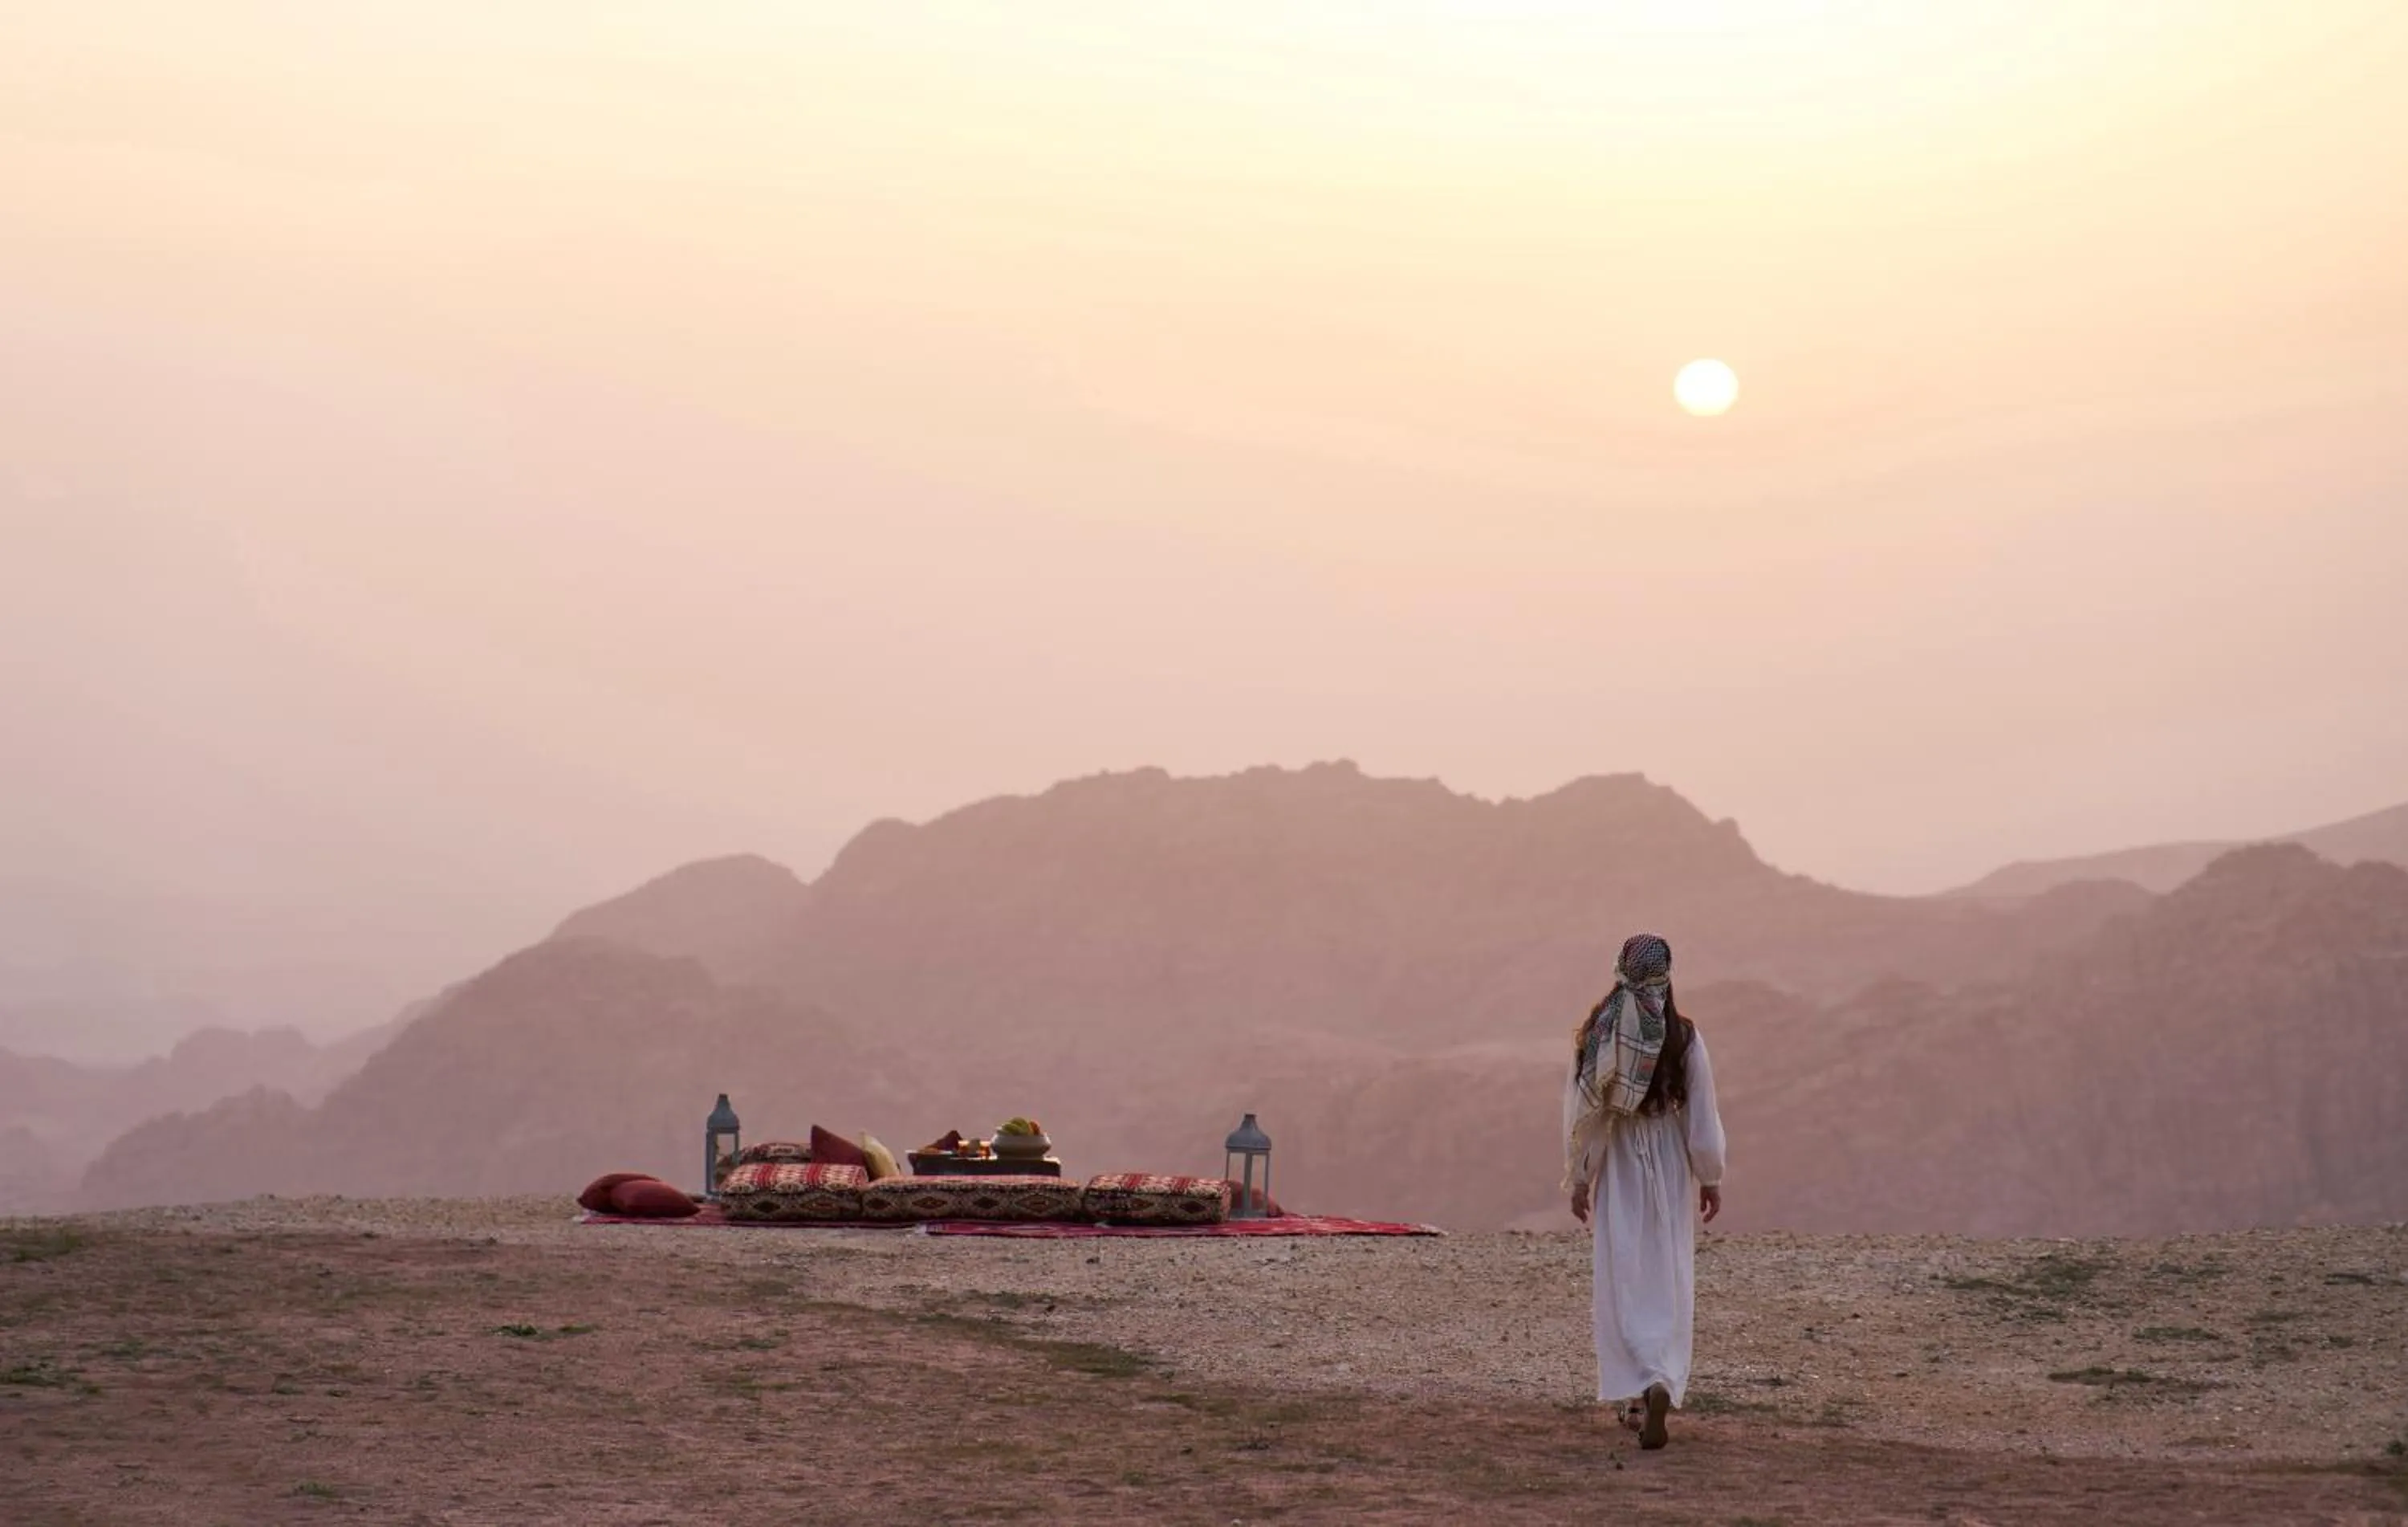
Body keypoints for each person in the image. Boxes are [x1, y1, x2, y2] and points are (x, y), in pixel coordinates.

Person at [1564, 932, 1727, 1451]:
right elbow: (1702, 1117)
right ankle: (1659, 1377)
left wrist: (1582, 1175)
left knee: (1623, 1271)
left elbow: (1582, 1114)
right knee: (1666, 1272)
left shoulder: (1598, 1033)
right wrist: (1710, 1174)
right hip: (1669, 1166)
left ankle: (1636, 1390)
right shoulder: (1684, 1036)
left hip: (1621, 1161)